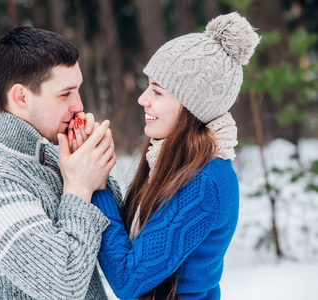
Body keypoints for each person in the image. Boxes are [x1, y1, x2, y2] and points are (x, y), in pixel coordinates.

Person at [58, 12, 260, 300]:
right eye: (147, 86)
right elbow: (138, 247)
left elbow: (128, 279)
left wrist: (96, 188)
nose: (143, 99)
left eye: (157, 91)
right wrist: (92, 170)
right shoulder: (173, 161)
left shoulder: (204, 182)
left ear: (193, 106)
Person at [0, 26, 121, 300]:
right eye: (65, 94)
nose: (79, 105)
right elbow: (63, 285)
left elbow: (118, 247)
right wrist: (79, 187)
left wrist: (98, 180)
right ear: (21, 97)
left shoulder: (53, 153)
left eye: (78, 90)